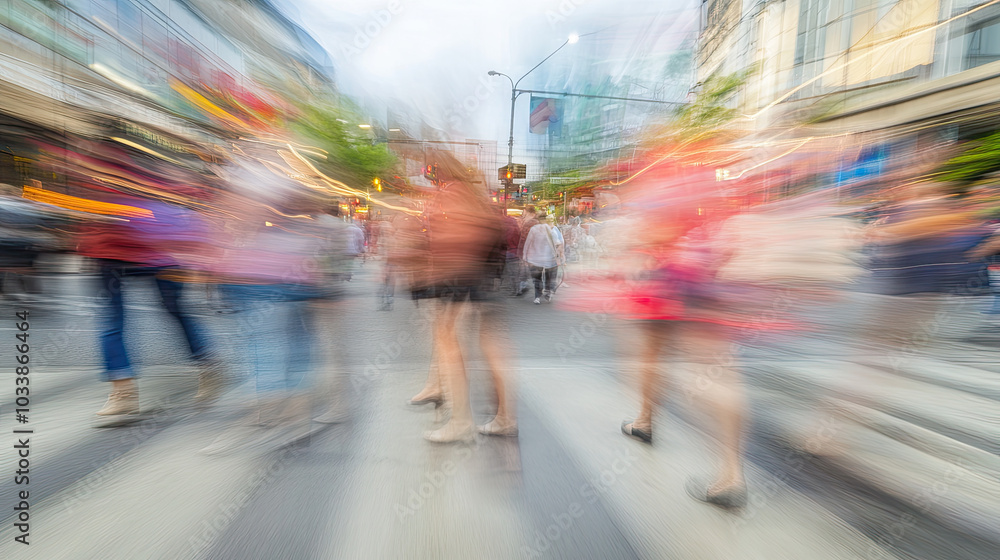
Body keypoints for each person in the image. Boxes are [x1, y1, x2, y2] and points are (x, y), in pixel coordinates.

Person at [521, 212, 563, 304]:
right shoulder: (550, 229)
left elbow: (528, 243)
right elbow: (557, 242)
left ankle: (537, 296)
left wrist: (525, 255)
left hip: (535, 258)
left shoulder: (533, 229)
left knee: (537, 278)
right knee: (548, 277)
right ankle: (547, 293)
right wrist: (559, 254)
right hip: (548, 258)